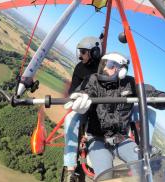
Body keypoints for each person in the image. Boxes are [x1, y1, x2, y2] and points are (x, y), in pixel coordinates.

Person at [65, 52, 165, 180]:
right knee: (105, 176)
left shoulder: (130, 83)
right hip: (98, 138)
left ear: (121, 70)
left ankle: (146, 146)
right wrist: (82, 98)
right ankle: (70, 167)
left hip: (121, 139)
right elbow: (86, 90)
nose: (104, 68)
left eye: (109, 65)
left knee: (146, 168)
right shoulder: (93, 79)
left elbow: (152, 95)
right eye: (103, 64)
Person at [63, 36, 102, 181]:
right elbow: (72, 91)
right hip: (84, 107)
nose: (80, 55)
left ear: (95, 53)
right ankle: (71, 168)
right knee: (69, 119)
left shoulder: (104, 67)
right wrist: (79, 95)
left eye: (84, 52)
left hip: (100, 108)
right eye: (80, 52)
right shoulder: (80, 67)